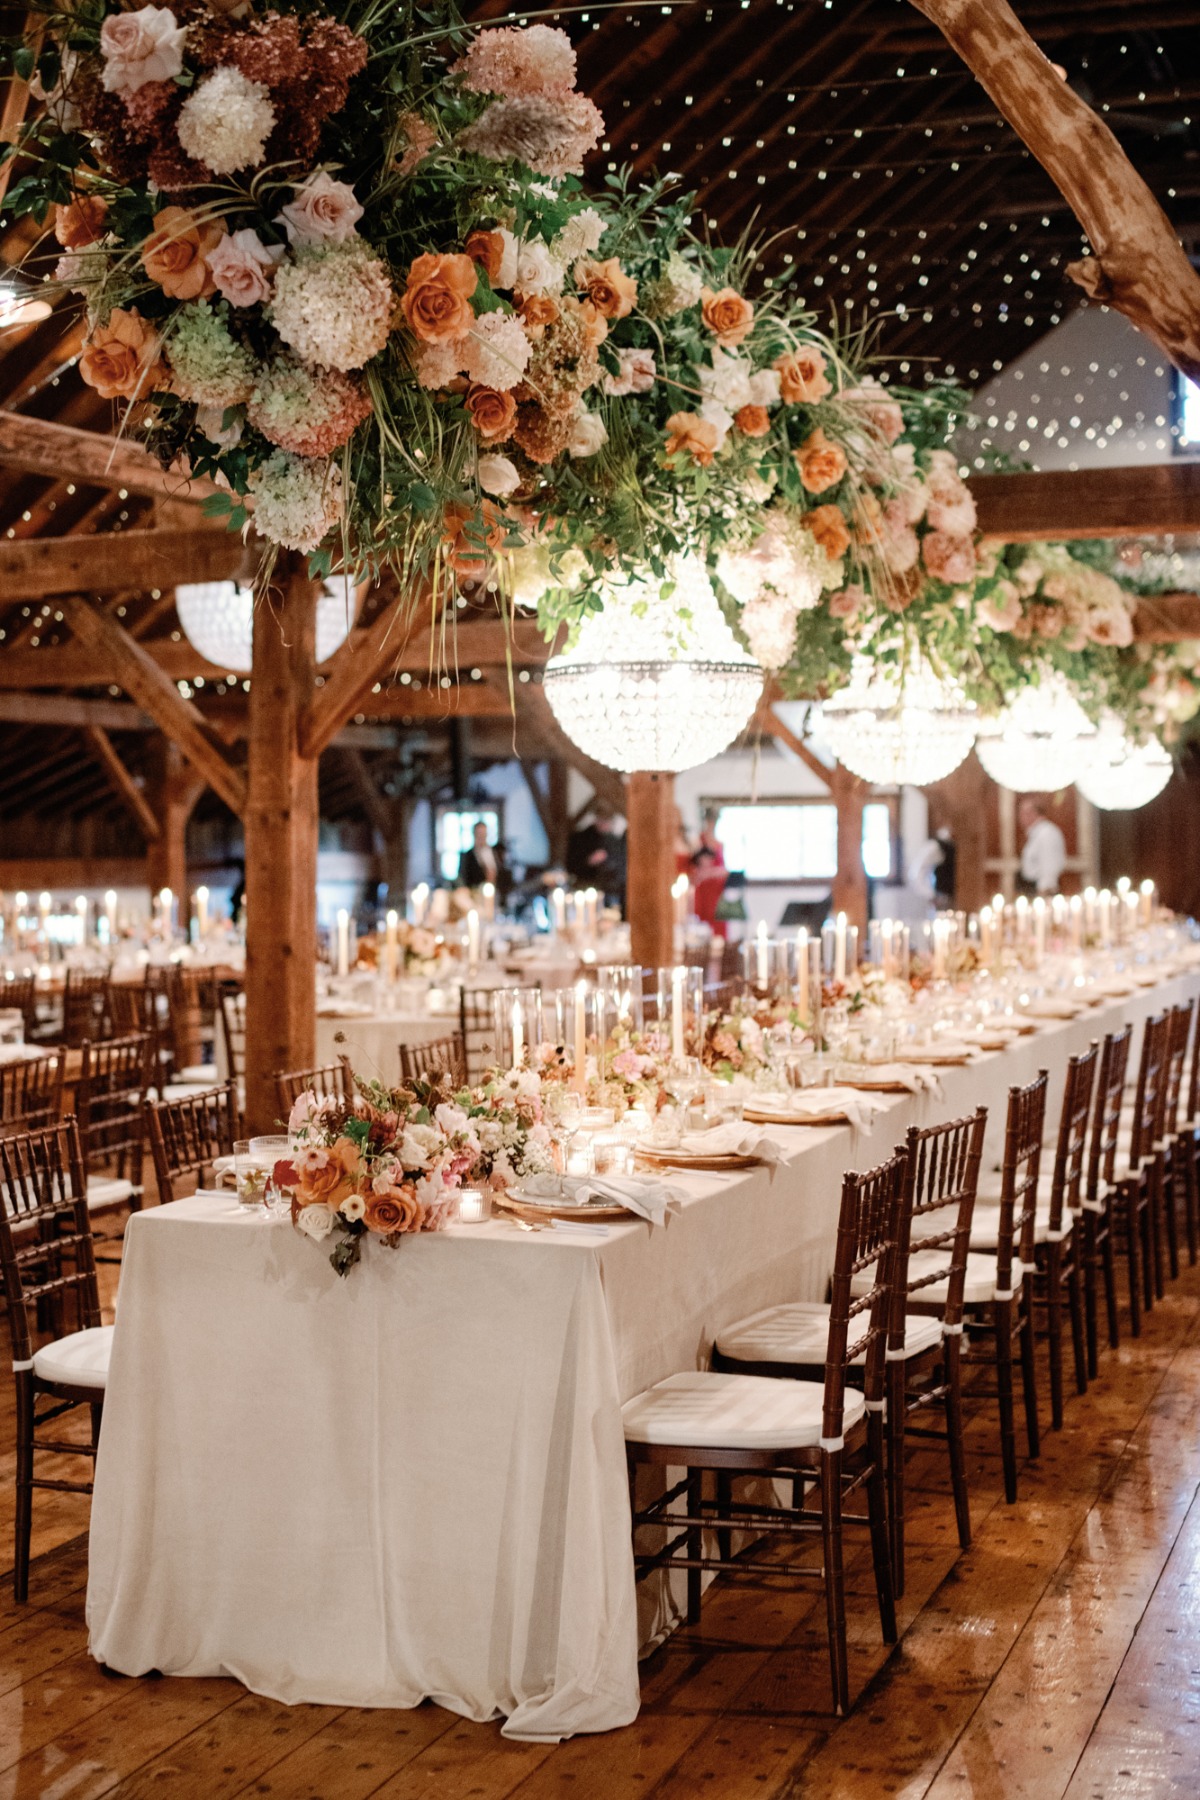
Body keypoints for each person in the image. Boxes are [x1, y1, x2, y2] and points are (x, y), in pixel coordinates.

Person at [567, 806, 626, 908]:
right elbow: (571, 865)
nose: (604, 824)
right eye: (601, 819)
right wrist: (589, 861)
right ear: (596, 819)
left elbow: (621, 866)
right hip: (586, 887)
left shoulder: (615, 842)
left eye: (607, 820)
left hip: (611, 892)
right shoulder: (581, 839)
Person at [1017, 797, 1066, 895]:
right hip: (1031, 888)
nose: (1020, 817)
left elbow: (1050, 867)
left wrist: (1043, 895)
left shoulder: (1047, 833)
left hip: (1042, 891)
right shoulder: (1036, 833)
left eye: (1023, 813)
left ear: (1032, 813)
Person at [457, 820, 498, 890]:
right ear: (474, 834)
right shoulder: (467, 856)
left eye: (484, 833)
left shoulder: (494, 852)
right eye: (479, 833)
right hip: (475, 892)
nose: (482, 836)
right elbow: (462, 878)